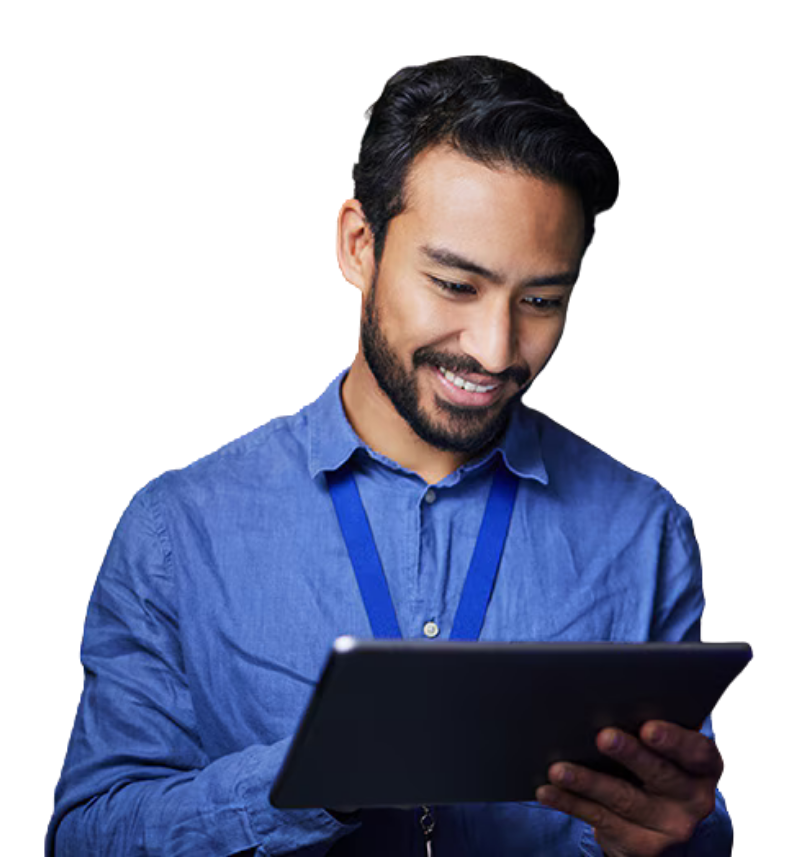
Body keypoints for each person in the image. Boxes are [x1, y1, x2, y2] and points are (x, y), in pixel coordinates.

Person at [47, 55, 733, 855]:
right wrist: (311, 776)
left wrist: (680, 836)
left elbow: (688, 821)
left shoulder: (644, 531)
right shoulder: (175, 529)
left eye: (541, 300)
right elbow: (86, 835)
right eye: (454, 284)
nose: (495, 349)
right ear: (357, 246)